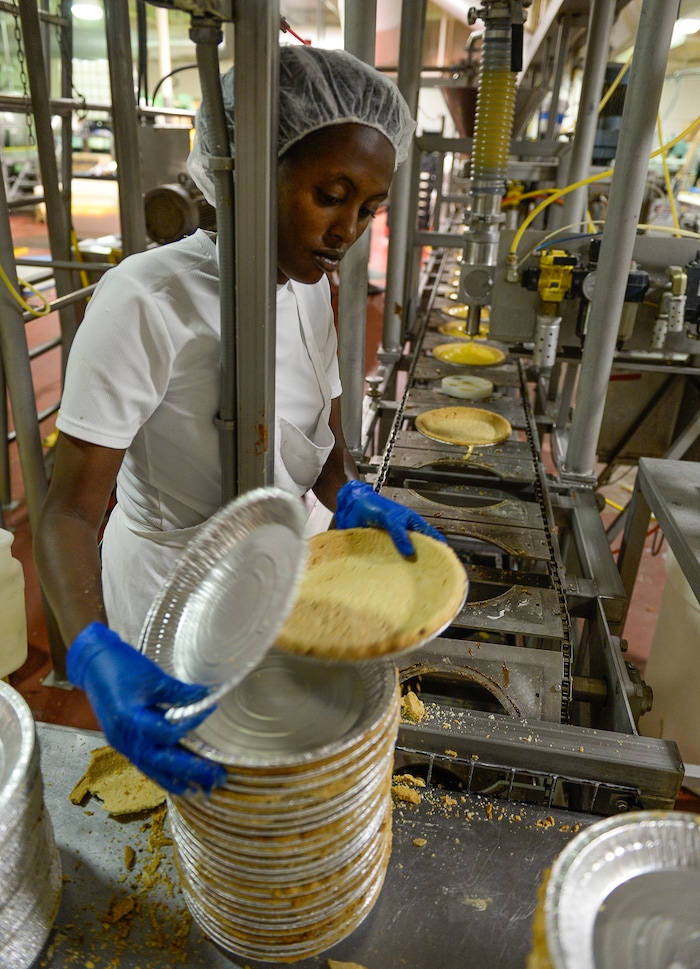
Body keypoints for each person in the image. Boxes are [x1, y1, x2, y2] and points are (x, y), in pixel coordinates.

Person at [34, 45, 444, 796]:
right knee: (202, 793)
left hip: (285, 567)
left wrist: (346, 490)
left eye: (368, 209)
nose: (348, 229)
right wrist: (92, 649)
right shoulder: (146, 300)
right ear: (251, 167)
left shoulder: (308, 283)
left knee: (287, 781)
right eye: (331, 193)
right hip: (173, 591)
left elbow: (317, 419)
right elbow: (65, 511)